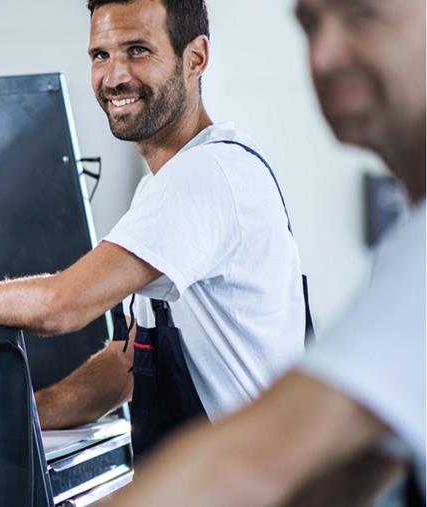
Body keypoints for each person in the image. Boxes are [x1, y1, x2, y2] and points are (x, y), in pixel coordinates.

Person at [0, 0, 310, 462]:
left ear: (196, 58)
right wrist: (22, 414)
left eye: (138, 50)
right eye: (100, 55)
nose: (114, 77)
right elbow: (127, 364)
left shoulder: (206, 175)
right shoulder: (167, 184)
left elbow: (61, 305)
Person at [101, 0, 425, 504]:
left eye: (364, 15)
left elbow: (252, 464)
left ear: (195, 58)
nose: (324, 56)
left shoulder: (214, 173)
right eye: (309, 24)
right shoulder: (408, 242)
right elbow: (348, 472)